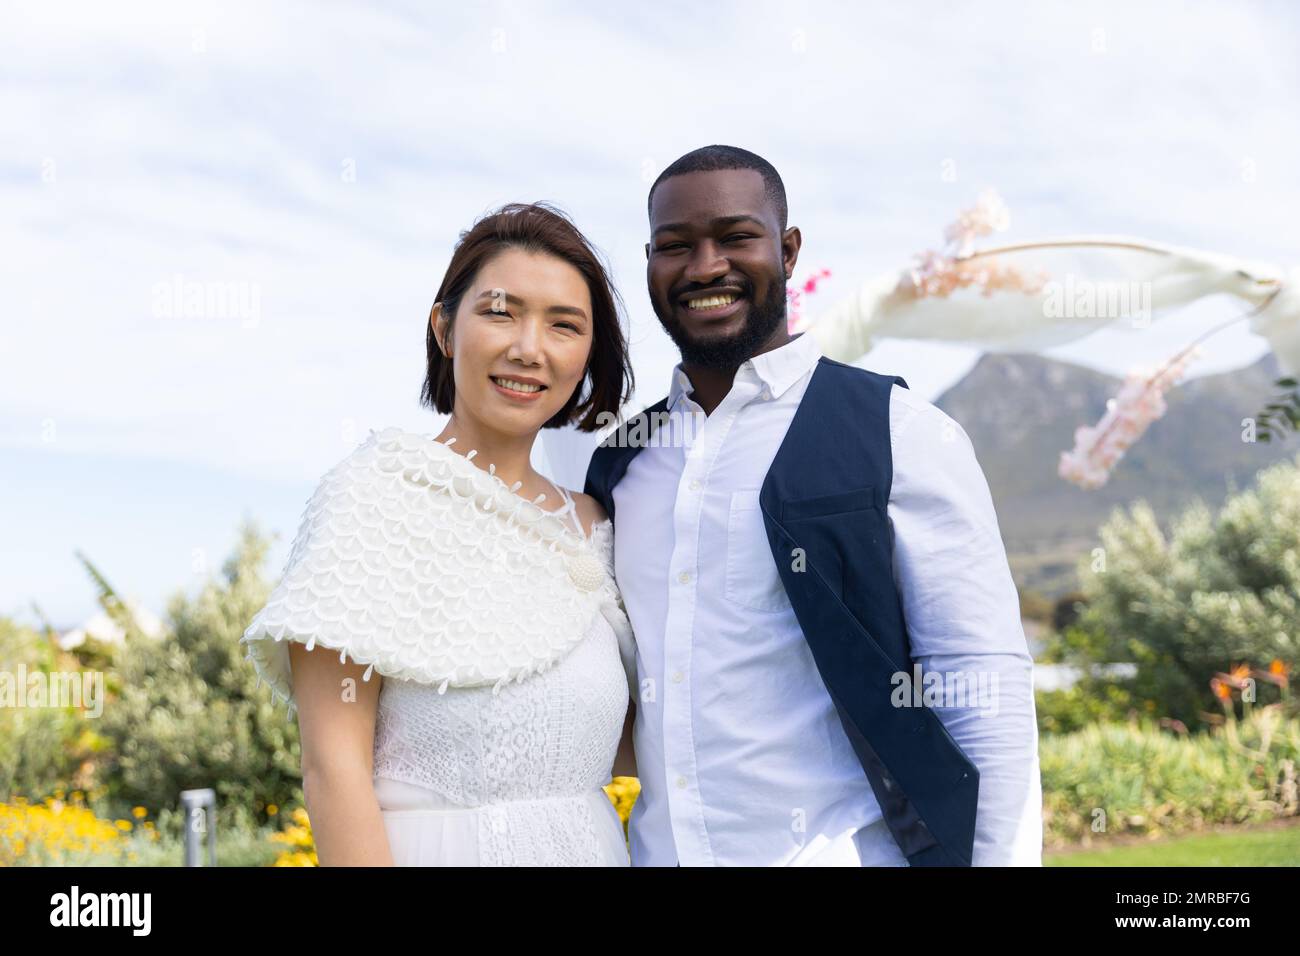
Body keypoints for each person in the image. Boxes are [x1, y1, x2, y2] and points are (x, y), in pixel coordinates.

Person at [585, 145, 1044, 866]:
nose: (705, 266)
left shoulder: (897, 432)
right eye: (676, 246)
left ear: (788, 250)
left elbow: (981, 689)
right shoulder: (621, 463)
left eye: (735, 237)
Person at [242, 201, 637, 865]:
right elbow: (333, 774)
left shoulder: (594, 524)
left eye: (563, 325)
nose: (528, 348)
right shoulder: (373, 496)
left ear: (587, 356)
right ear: (445, 328)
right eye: (499, 311)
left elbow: (628, 740)